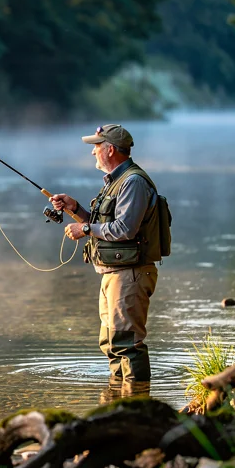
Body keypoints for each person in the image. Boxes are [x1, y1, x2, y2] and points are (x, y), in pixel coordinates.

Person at [50, 124, 163, 382]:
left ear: (110, 150)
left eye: (96, 147)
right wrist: (75, 208)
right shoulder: (117, 181)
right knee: (111, 343)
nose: (93, 153)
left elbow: (125, 229)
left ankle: (137, 405)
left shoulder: (132, 182)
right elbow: (107, 224)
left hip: (130, 274)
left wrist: (85, 228)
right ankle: (119, 399)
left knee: (127, 344)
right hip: (115, 273)